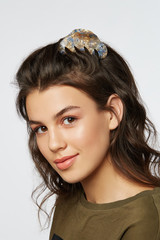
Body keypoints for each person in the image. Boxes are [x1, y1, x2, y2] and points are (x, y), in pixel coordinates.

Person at [16, 29, 160, 240]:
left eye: (69, 119)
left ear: (112, 113)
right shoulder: (67, 201)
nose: (53, 144)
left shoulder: (148, 217)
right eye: (41, 129)